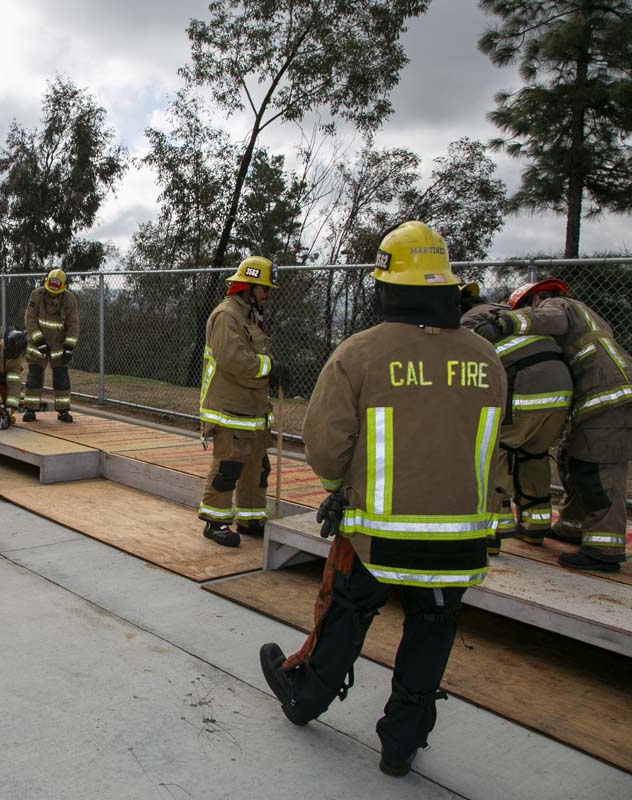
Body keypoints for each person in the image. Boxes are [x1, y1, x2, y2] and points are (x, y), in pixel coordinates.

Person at [259, 221, 506, 777]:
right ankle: (402, 744)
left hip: (376, 536)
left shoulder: (361, 354)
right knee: (433, 630)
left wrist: (335, 492)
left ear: (386, 287)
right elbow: (496, 448)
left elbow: (325, 446)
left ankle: (305, 698)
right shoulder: (488, 360)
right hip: (457, 544)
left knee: (346, 614)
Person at [475, 278, 631, 571]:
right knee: (578, 462)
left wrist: (505, 324)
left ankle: (604, 550)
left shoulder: (559, 306)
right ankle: (572, 526)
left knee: (600, 468)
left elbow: (549, 319)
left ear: (534, 300)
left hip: (606, 393)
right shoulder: (588, 318)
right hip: (601, 394)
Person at [460, 282, 571, 551]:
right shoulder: (514, 315)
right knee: (534, 452)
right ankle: (535, 528)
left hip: (524, 389)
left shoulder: (468, 322)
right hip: (562, 388)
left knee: (495, 451)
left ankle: (490, 535)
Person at [197, 256, 289, 548]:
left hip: (252, 410)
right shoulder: (226, 316)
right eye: (263, 288)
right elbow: (234, 360)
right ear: (247, 287)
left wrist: (272, 371)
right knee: (229, 468)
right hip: (230, 411)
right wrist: (270, 368)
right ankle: (216, 523)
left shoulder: (248, 317)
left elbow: (252, 358)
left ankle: (250, 520)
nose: (267, 294)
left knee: (256, 468)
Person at [23, 267, 80, 422]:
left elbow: (73, 325)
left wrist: (69, 348)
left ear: (63, 288)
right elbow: (30, 320)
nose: (52, 295)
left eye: (56, 293)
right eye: (50, 291)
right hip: (37, 346)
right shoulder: (36, 295)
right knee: (34, 378)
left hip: (59, 347)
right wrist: (39, 341)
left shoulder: (69, 300)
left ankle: (63, 412)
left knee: (61, 379)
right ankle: (30, 410)